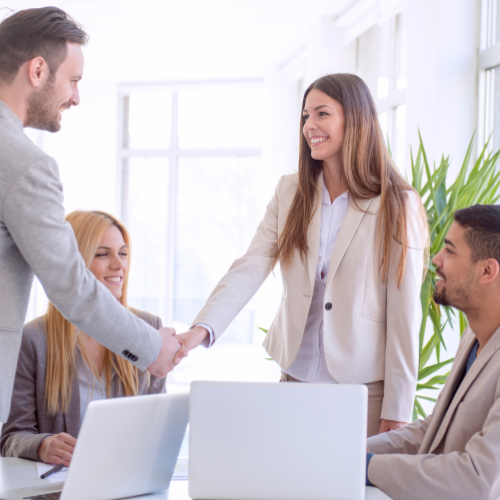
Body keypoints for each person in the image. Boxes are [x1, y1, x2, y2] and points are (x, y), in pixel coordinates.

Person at [175, 73, 428, 436]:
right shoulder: (291, 190)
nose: (310, 125)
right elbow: (252, 264)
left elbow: (405, 312)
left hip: (363, 391)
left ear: (354, 119)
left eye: (322, 114)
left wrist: (398, 408)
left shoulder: (397, 203)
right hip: (295, 376)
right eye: (306, 116)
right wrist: (202, 329)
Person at [0, 7, 181, 423]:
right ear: (38, 70)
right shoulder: (25, 165)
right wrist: (153, 348)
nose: (76, 97)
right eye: (74, 80)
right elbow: (71, 286)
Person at [1, 210, 166, 465]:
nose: (119, 264)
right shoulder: (34, 340)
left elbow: (161, 426)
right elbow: (11, 437)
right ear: (73, 266)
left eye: (123, 253)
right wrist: (42, 445)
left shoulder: (148, 328)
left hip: (128, 484)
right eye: (103, 254)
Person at [366, 205, 500, 500]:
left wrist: (369, 467)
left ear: (487, 270)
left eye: (450, 251)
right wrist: (362, 449)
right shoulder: (473, 336)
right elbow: (435, 427)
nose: (436, 260)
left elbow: (479, 479)